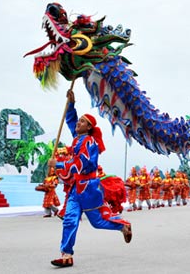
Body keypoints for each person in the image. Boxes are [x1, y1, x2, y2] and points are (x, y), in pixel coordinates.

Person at [48, 89, 131, 268]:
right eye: (79, 121)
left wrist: (59, 164)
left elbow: (81, 163)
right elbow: (70, 120)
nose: (78, 123)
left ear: (89, 128)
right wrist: (71, 103)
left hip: (89, 188)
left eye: (82, 122)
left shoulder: (90, 143)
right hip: (76, 188)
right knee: (70, 219)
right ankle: (66, 254)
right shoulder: (78, 139)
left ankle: (122, 226)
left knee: (98, 222)